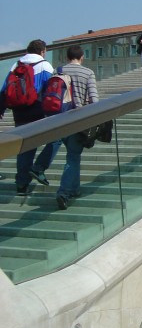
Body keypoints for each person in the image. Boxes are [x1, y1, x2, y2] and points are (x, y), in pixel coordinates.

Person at [0, 39, 61, 196]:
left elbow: (5, 88)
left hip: (18, 111)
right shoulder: (45, 65)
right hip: (37, 109)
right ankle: (38, 167)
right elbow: (50, 91)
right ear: (42, 51)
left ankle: (21, 184)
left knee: (25, 148)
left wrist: (1, 109)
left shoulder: (16, 65)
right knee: (56, 137)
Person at [55, 45, 99, 210]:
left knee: (73, 156)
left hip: (57, 121)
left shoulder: (57, 71)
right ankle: (63, 192)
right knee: (73, 157)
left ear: (67, 57)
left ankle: (74, 188)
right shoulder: (87, 73)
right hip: (77, 120)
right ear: (82, 57)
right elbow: (94, 99)